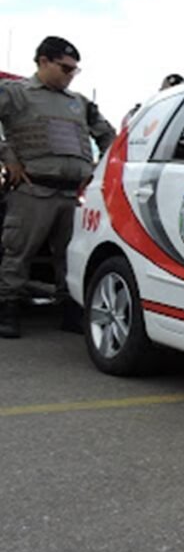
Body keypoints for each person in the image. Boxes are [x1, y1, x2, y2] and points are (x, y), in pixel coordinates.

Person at [0, 35, 116, 338]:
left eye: (74, 71)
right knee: (17, 253)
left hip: (72, 193)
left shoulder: (79, 103)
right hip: (33, 191)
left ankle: (70, 310)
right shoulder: (17, 94)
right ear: (43, 62)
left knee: (69, 255)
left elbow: (108, 136)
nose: (70, 75)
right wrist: (8, 157)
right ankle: (7, 310)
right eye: (65, 68)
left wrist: (101, 170)